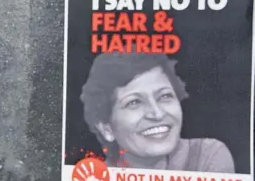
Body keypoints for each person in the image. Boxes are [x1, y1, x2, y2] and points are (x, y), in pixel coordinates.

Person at [80, 51, 235, 173]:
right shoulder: (94, 179)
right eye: (134, 102)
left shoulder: (206, 155)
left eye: (165, 96)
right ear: (106, 128)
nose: (157, 114)